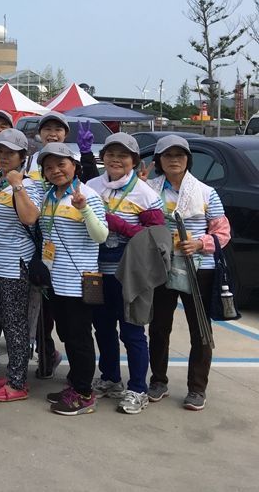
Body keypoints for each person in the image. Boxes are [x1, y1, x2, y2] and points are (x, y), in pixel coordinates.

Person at [146, 135, 231, 412]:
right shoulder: (148, 189)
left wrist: (200, 243)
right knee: (159, 327)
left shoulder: (206, 192)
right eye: (168, 155)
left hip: (199, 268)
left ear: (188, 160)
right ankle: (158, 381)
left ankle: (197, 388)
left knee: (200, 329)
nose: (174, 160)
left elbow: (222, 232)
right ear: (159, 160)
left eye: (180, 155)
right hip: (161, 266)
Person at [86, 133, 165, 415]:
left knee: (132, 332)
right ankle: (110, 377)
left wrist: (118, 224)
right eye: (111, 154)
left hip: (131, 274)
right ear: (103, 157)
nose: (116, 160)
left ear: (133, 161)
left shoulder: (146, 194)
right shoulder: (92, 186)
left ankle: (138, 389)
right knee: (103, 328)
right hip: (97, 272)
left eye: (123, 156)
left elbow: (156, 238)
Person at [38, 142, 108, 416]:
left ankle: (84, 394)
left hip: (79, 281)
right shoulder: (49, 196)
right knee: (67, 334)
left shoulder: (87, 195)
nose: (55, 170)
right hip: (55, 280)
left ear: (75, 166)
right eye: (49, 167)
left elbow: (100, 236)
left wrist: (84, 209)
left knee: (79, 338)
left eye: (61, 164)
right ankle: (75, 384)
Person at [0, 129, 41, 402]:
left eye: (10, 153)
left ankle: (17, 384)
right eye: (0, 151)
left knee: (15, 325)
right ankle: (13, 372)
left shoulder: (28, 184)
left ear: (22, 157)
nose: (3, 156)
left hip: (14, 265)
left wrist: (18, 185)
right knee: (5, 321)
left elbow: (29, 218)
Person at [27, 112, 98, 183]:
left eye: (58, 129)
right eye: (48, 129)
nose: (53, 134)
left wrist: (86, 154)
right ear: (39, 133)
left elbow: (92, 183)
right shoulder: (28, 162)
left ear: (65, 134)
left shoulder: (72, 162)